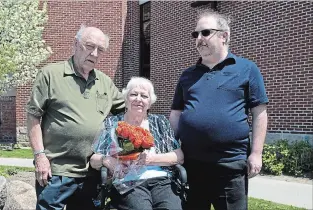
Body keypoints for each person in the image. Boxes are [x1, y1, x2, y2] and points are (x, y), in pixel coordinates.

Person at [169, 10, 268, 210]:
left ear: (224, 36)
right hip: (192, 164)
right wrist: (171, 148)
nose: (199, 38)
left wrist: (256, 153)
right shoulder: (187, 75)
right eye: (195, 34)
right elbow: (176, 114)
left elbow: (259, 112)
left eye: (205, 32)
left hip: (229, 165)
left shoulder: (246, 68)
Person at [26, 26, 125, 210]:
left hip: (91, 172)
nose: (94, 54)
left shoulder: (104, 82)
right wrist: (39, 156)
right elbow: (33, 116)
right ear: (76, 44)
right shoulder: (51, 75)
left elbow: (126, 113)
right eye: (89, 46)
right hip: (56, 171)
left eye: (100, 50)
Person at [90, 77, 184, 210]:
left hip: (161, 180)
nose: (138, 99)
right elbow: (94, 160)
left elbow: (179, 156)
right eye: (134, 94)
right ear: (126, 99)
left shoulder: (160, 122)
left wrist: (151, 159)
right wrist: (106, 160)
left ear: (150, 102)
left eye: (144, 96)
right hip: (127, 181)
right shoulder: (112, 124)